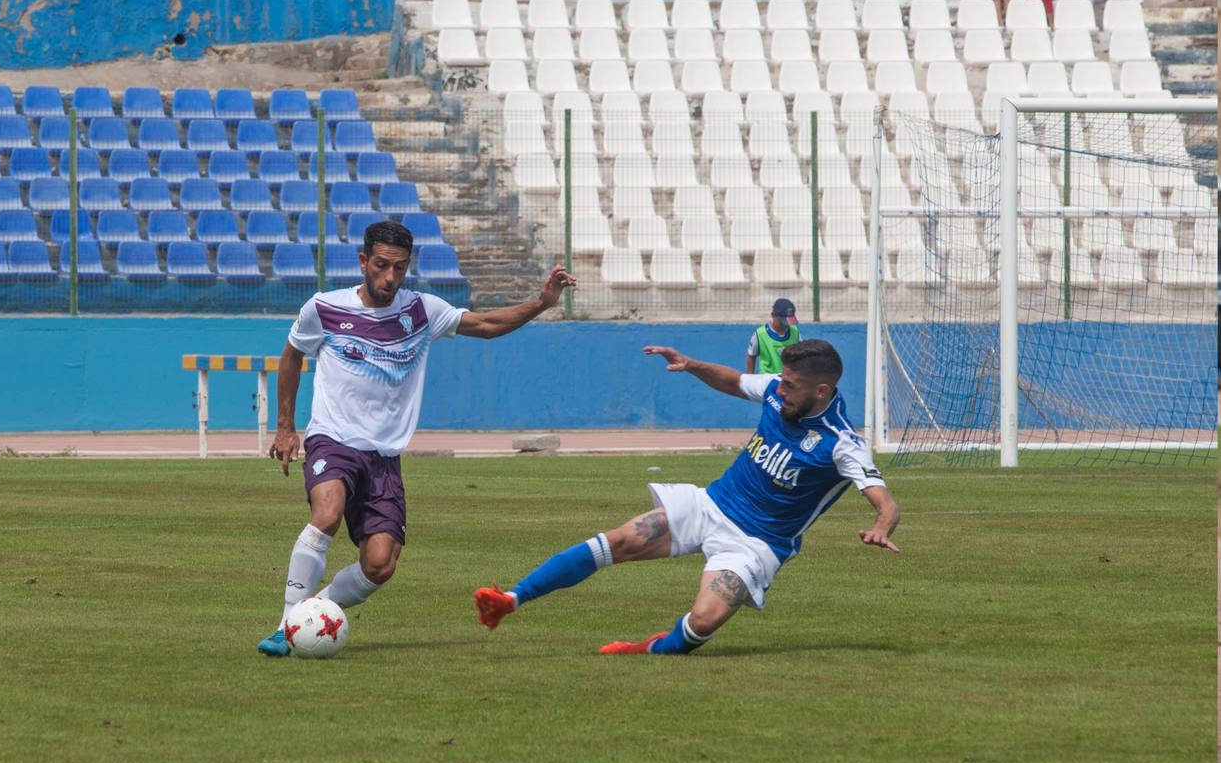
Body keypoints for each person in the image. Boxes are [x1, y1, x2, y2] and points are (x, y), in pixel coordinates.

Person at [258, 221, 576, 656]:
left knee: (380, 564)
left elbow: (484, 323)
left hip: (384, 457)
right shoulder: (325, 308)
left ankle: (316, 611)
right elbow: (293, 353)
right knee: (327, 513)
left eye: (400, 268)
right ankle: (285, 625)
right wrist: (285, 426)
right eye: (383, 266)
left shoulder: (422, 311)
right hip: (332, 440)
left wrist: (541, 302)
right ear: (363, 261)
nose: (390, 277)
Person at [474, 339, 901, 655]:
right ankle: (510, 599)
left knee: (703, 622)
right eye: (783, 382)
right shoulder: (776, 390)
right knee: (619, 539)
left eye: (791, 385)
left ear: (821, 391)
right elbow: (734, 381)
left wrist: (881, 527)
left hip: (756, 543)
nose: (781, 390)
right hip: (710, 505)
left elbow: (884, 500)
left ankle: (646, 649)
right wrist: (692, 364)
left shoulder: (842, 443)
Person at [745, 297, 800, 374]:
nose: (786, 325)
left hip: (788, 380)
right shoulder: (760, 334)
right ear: (773, 315)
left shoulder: (795, 331)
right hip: (767, 380)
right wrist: (750, 377)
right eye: (783, 321)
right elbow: (751, 355)